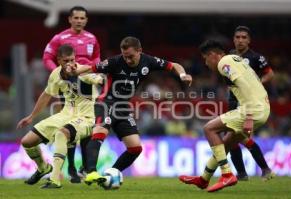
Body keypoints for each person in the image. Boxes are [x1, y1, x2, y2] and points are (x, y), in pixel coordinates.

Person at [73, 36, 192, 185]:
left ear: (139, 51)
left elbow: (174, 65)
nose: (128, 60)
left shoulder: (148, 61)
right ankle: (89, 171)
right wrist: (75, 70)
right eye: (125, 56)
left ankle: (111, 173)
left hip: (123, 107)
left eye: (131, 56)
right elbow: (90, 67)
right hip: (106, 103)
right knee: (99, 133)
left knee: (135, 148)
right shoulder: (115, 62)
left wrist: (182, 75)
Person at [179, 40, 270, 192]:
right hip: (263, 108)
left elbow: (245, 86)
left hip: (252, 109)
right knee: (225, 145)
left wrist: (248, 116)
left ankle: (227, 174)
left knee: (209, 129)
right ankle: (204, 179)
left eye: (205, 59)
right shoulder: (237, 60)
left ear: (213, 55)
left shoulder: (224, 62)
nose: (206, 64)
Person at [17, 44, 105, 188]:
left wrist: (101, 78)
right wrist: (31, 116)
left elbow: (100, 79)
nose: (70, 64)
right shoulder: (56, 74)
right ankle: (43, 168)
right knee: (27, 141)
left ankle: (55, 179)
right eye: (66, 61)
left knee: (61, 134)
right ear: (59, 60)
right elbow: (46, 95)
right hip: (65, 114)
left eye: (72, 60)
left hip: (87, 118)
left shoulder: (84, 72)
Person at [42, 5, 101, 183]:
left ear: (86, 20)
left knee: (87, 125)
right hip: (67, 86)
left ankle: (84, 167)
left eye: (82, 18)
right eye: (76, 18)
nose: (79, 21)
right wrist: (60, 75)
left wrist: (95, 73)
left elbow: (97, 59)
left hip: (87, 84)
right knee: (69, 124)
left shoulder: (92, 38)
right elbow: (47, 57)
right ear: (69, 19)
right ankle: (71, 167)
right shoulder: (60, 37)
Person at [229, 25, 275, 181]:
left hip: (249, 103)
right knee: (232, 138)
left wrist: (258, 84)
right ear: (233, 39)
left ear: (249, 40)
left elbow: (270, 74)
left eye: (244, 37)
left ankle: (264, 169)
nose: (240, 40)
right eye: (237, 37)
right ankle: (242, 174)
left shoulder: (256, 58)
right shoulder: (229, 56)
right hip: (233, 100)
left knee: (242, 137)